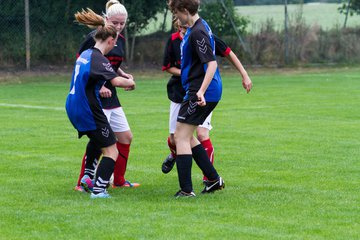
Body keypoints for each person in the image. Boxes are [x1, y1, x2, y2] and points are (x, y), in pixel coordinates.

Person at [161, 17, 252, 183]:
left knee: (199, 134)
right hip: (180, 92)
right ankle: (209, 176)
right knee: (177, 137)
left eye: (183, 26)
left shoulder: (201, 34)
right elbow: (167, 67)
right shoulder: (175, 40)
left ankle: (201, 182)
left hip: (202, 92)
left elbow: (225, 54)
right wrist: (185, 74)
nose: (182, 29)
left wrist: (244, 74)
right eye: (179, 27)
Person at [66, 8, 135, 198]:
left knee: (110, 140)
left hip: (75, 105)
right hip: (90, 107)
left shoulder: (90, 54)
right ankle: (98, 189)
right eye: (116, 23)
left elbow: (108, 72)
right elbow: (116, 81)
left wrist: (117, 75)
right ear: (110, 40)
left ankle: (90, 178)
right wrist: (130, 82)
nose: (119, 27)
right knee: (111, 150)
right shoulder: (97, 57)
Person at [168, 0, 225, 198]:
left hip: (201, 92)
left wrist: (200, 91)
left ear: (185, 10)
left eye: (176, 12)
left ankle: (186, 190)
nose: (176, 17)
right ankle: (213, 179)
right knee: (187, 135)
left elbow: (212, 65)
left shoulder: (198, 31)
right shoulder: (198, 27)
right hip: (198, 90)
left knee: (180, 137)